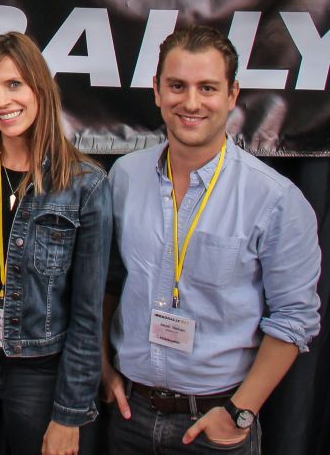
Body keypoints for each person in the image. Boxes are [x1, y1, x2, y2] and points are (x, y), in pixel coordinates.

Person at [102, 25, 321, 454]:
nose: (191, 102)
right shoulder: (124, 176)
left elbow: (296, 317)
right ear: (156, 90)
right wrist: (103, 367)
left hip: (216, 425)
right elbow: (110, 279)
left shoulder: (274, 199)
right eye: (177, 86)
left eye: (208, 88)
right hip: (130, 417)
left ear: (232, 94)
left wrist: (240, 412)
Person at [0, 31, 111, 455]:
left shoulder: (85, 186)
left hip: (40, 372)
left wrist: (71, 413)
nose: (1, 101)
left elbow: (89, 314)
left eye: (14, 84)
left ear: (40, 88)